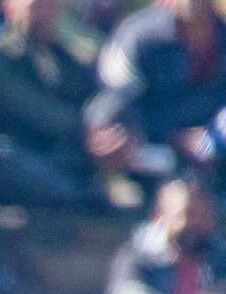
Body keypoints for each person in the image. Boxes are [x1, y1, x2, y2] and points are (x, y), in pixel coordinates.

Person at [0, 0, 105, 207]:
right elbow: (37, 111)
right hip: (24, 154)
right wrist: (86, 130)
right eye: (36, 6)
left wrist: (106, 131)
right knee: (1, 156)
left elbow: (94, 98)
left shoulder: (66, 60)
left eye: (49, 5)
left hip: (65, 158)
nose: (44, 13)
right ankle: (78, 198)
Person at [87, 0, 226, 185]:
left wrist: (212, 136)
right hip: (152, 154)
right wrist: (174, 137)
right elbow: (113, 103)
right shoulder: (138, 35)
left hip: (217, 155)